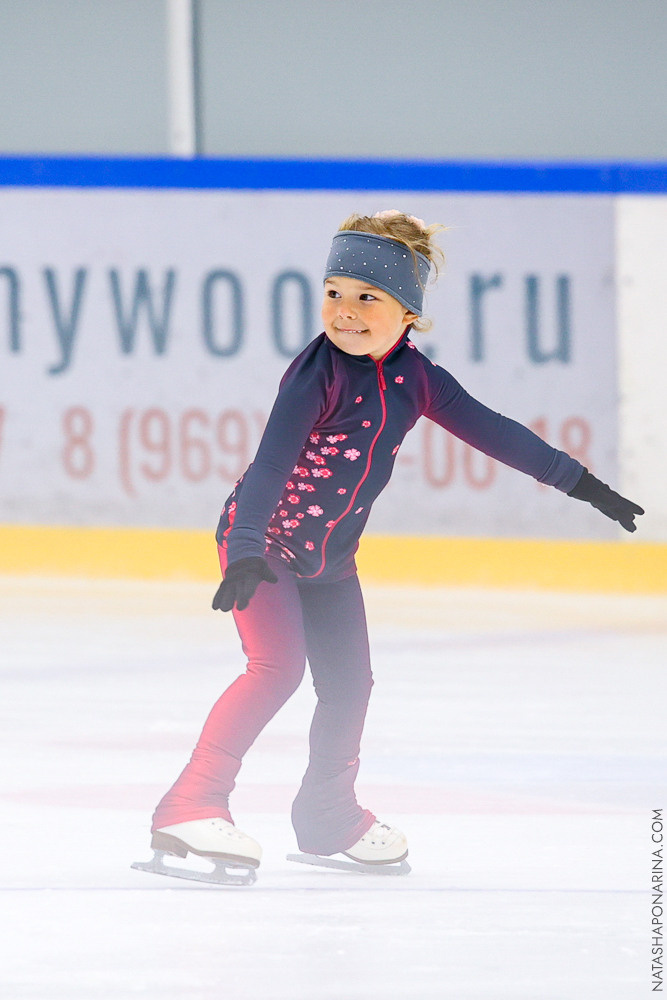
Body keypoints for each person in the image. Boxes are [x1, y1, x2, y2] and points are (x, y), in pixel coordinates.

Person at [145, 210, 644, 878]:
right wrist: (242, 547)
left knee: (350, 685)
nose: (344, 311)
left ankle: (327, 816)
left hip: (331, 562)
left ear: (407, 313)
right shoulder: (313, 377)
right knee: (276, 669)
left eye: (365, 297)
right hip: (265, 549)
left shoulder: (416, 379)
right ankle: (190, 805)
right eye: (333, 292)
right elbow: (267, 467)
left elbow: (496, 431)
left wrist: (583, 486)